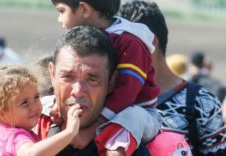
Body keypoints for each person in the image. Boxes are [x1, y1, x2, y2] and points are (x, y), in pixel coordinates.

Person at [51, 0, 161, 154]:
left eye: (61, 11)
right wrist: (58, 103)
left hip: (140, 110)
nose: (59, 19)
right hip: (108, 108)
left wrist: (91, 131)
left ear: (84, 9)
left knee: (130, 117)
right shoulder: (97, 37)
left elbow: (126, 94)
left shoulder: (130, 42)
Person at [120, 1, 226, 155]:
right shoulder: (112, 102)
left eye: (124, 44)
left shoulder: (202, 103)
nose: (119, 52)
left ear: (151, 42)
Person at [0, 64, 82, 155]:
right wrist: (70, 132)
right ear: (2, 112)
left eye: (36, 97)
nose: (34, 106)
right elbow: (31, 153)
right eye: (24, 103)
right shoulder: (14, 135)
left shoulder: (7, 130)